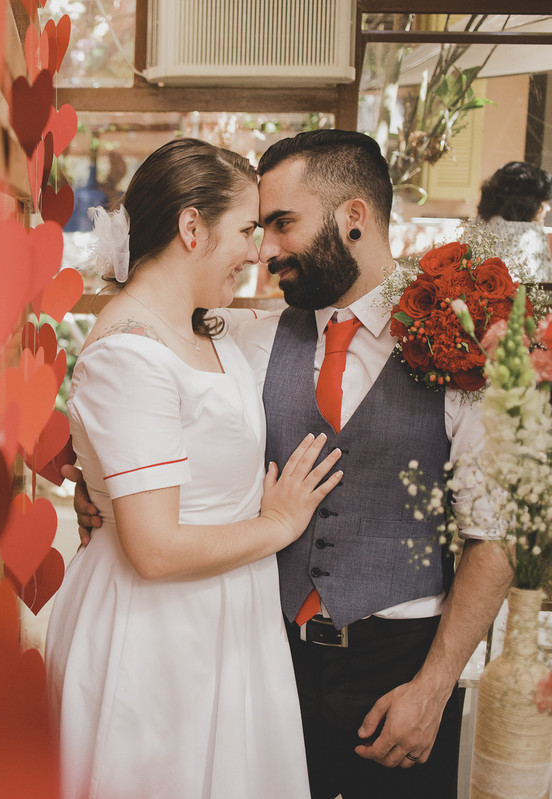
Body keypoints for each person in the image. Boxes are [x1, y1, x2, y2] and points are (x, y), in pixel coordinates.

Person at [72, 129, 513, 799]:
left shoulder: (461, 344)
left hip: (401, 668)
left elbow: (495, 533)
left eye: (282, 223)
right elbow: (147, 395)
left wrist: (435, 685)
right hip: (266, 656)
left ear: (353, 217)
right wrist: (93, 479)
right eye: (257, 227)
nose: (266, 249)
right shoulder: (241, 338)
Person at [44, 138, 344, 799]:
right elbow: (152, 548)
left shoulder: (206, 328)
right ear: (191, 228)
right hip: (158, 629)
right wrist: (278, 525)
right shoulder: (128, 354)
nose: (258, 252)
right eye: (246, 230)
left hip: (227, 616)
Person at [475, 160, 552, 282]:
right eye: (543, 201)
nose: (548, 208)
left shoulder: (477, 226)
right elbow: (543, 287)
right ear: (529, 203)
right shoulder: (532, 235)